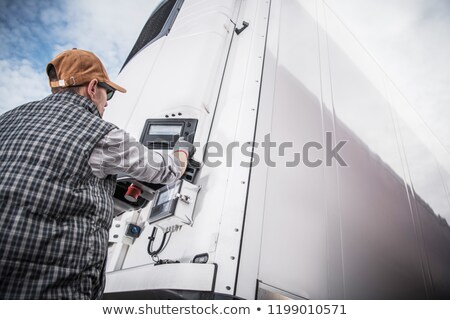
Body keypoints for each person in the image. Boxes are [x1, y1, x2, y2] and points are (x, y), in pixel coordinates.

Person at [0, 48, 195, 299]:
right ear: (93, 88)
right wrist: (181, 152)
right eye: (108, 93)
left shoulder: (8, 120)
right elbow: (165, 170)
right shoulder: (99, 132)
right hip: (50, 288)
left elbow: (37, 189)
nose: (107, 103)